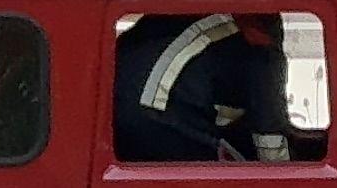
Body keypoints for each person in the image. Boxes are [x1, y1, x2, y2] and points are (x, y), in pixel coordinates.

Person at [113, 11, 296, 162]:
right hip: (160, 110)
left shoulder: (194, 17)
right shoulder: (259, 48)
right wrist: (284, 183)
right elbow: (268, 126)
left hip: (117, 105)